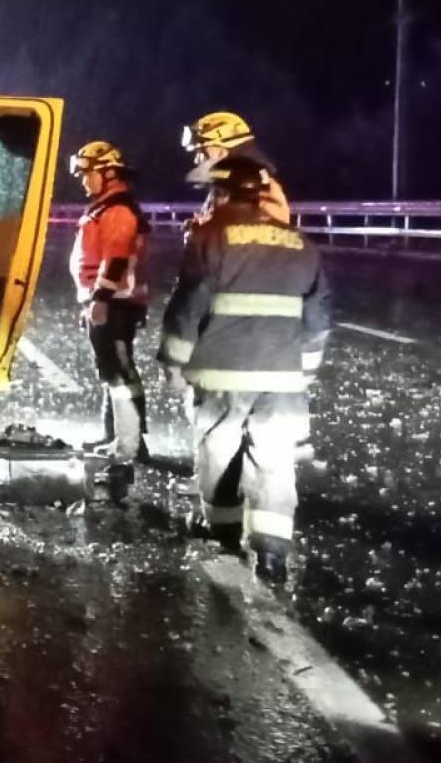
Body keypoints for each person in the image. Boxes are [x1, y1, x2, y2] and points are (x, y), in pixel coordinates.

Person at [159, 155, 328, 583]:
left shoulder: (210, 237)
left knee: (219, 453)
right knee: (274, 462)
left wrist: (175, 363)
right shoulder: (300, 243)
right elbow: (318, 317)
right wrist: (305, 370)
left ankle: (224, 532)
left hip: (221, 373)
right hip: (283, 378)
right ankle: (272, 553)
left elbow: (188, 306)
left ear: (222, 192)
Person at [67, 141, 150, 461]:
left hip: (117, 300)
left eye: (89, 174)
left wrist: (99, 299)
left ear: (109, 173)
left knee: (118, 369)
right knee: (112, 369)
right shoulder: (106, 206)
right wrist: (90, 300)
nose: (84, 181)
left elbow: (115, 258)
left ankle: (129, 444)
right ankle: (116, 435)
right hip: (108, 299)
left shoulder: (117, 209)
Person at [182, 110, 290, 226]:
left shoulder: (262, 189)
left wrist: (209, 230)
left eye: (202, 152)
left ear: (222, 151)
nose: (197, 160)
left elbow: (268, 237)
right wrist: (201, 228)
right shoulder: (226, 188)